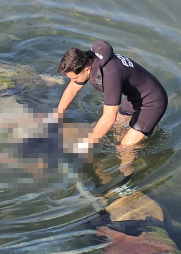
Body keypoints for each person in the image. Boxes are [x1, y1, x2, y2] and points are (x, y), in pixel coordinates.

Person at [57, 40, 167, 175]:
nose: (73, 81)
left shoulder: (110, 75)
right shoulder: (89, 59)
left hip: (153, 103)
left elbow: (109, 118)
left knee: (124, 149)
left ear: (86, 69)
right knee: (116, 129)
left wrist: (85, 146)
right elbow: (73, 89)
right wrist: (59, 114)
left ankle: (127, 184)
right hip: (134, 98)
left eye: (75, 78)